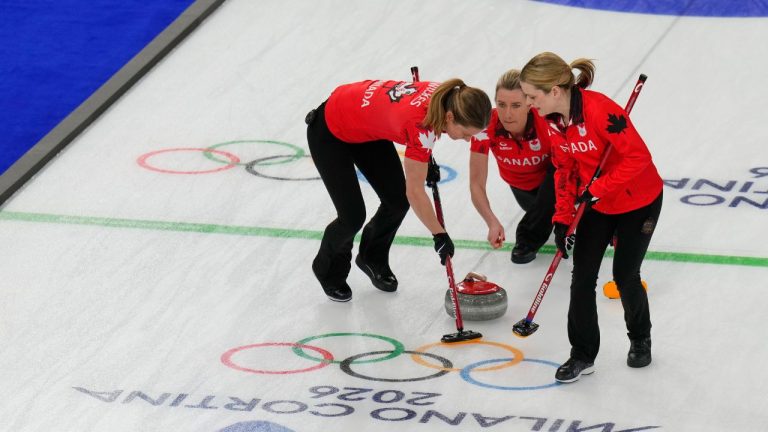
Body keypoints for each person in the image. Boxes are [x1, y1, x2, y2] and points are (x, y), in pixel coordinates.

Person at [519, 52, 663, 383]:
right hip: (597, 204)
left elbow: (638, 157)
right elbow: (565, 169)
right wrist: (561, 216)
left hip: (638, 200)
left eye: (531, 96)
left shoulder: (600, 111)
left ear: (555, 90)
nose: (528, 103)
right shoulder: (551, 120)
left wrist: (600, 187)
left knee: (625, 274)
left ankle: (640, 338)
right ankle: (582, 354)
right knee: (581, 277)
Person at [305, 78, 492, 302]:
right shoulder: (420, 126)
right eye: (465, 133)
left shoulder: (447, 96)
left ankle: (371, 257)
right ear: (450, 117)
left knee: (396, 200)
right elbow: (415, 191)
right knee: (352, 217)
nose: (467, 139)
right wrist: (439, 234)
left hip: (365, 127)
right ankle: (327, 269)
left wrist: (423, 159)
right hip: (330, 130)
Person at [469, 69, 555, 263]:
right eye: (501, 105)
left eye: (516, 105)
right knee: (547, 214)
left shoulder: (546, 120)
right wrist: (491, 222)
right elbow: (476, 183)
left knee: (559, 175)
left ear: (529, 103)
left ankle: (527, 239)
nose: (507, 114)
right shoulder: (486, 126)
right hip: (522, 189)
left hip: (553, 182)